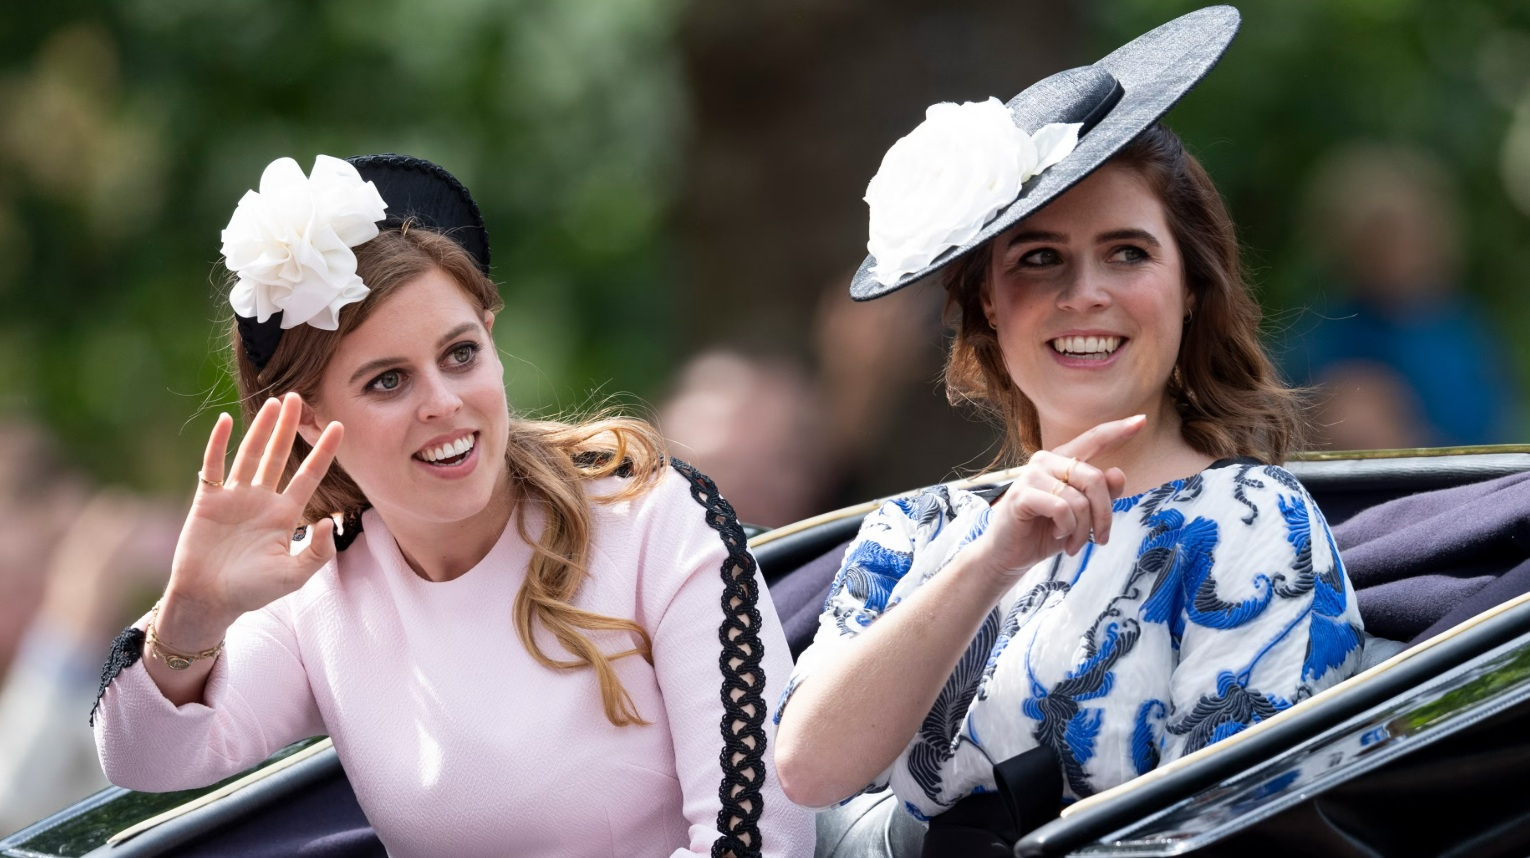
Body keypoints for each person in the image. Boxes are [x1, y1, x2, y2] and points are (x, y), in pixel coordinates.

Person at [90, 154, 814, 857]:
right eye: (387, 382)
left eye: (460, 355)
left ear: (492, 343)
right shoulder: (316, 586)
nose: (443, 404)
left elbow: (761, 839)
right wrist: (194, 609)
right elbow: (147, 760)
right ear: (309, 420)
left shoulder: (647, 511)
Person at [772, 7, 1366, 854]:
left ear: (1190, 287)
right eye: (1039, 258)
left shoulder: (1247, 522)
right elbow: (806, 771)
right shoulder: (915, 532)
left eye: (1128, 253)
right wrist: (993, 556)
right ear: (985, 300)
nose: (1085, 294)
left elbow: (1237, 830)